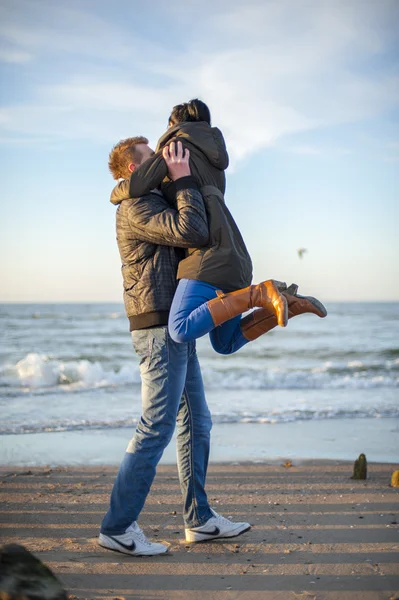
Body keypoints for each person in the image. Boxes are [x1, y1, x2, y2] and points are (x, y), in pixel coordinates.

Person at [98, 137, 251, 557]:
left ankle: (199, 520)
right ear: (133, 170)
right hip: (157, 328)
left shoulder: (153, 199)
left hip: (174, 325)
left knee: (197, 423)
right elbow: (192, 230)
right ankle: (117, 527)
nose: (164, 162)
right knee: (157, 427)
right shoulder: (136, 207)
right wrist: (183, 180)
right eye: (152, 158)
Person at [117, 99, 327, 357]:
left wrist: (116, 191)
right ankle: (290, 304)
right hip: (235, 254)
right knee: (224, 344)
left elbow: (137, 185)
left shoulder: (175, 147)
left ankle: (260, 294)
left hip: (208, 256)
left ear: (175, 124)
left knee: (180, 328)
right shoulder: (214, 159)